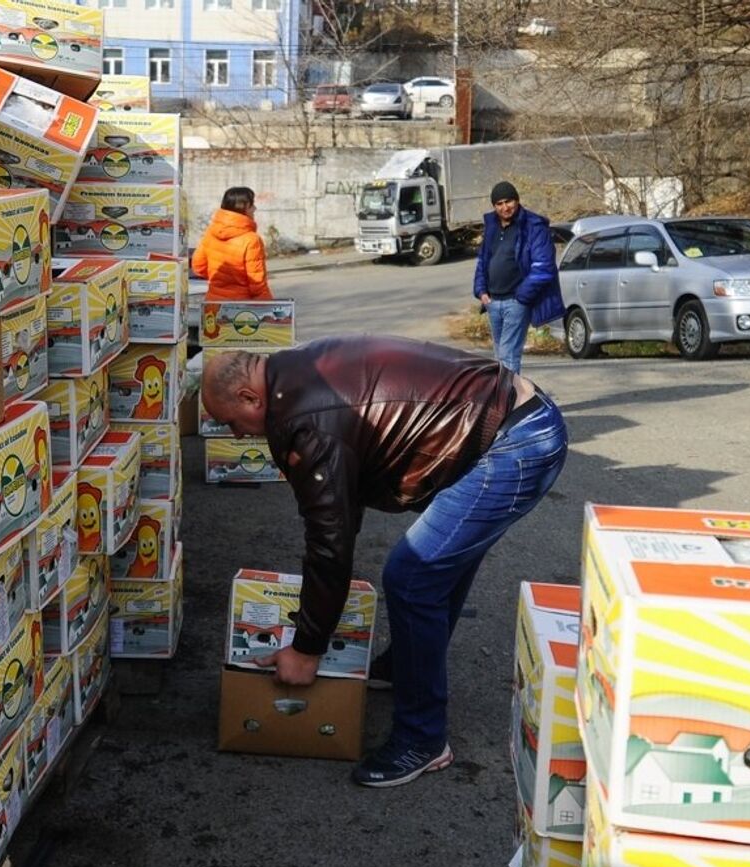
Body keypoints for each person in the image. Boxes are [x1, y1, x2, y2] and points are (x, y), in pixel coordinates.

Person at [201, 336, 567, 787]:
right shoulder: (293, 372)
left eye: (230, 423)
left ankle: (423, 739)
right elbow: (340, 514)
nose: (236, 435)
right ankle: (406, 667)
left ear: (248, 397)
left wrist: (306, 648)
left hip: (517, 443)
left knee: (412, 576)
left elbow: (329, 542)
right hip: (509, 419)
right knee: (436, 564)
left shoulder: (305, 421)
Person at [472, 181, 564, 372]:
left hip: (516, 302)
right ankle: (507, 399)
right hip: (493, 301)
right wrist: (481, 291)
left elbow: (543, 266)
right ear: (494, 206)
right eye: (499, 204)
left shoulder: (533, 226)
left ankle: (509, 400)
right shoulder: (492, 227)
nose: (505, 207)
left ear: (517, 200)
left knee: (508, 356)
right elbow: (483, 260)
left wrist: (522, 297)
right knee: (500, 357)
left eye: (508, 201)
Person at [192, 186, 274, 302]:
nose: (255, 209)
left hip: (213, 303)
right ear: (244, 207)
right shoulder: (251, 240)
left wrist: (220, 279)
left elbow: (198, 266)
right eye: (252, 205)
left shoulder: (211, 232)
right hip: (241, 308)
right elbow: (257, 284)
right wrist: (268, 307)